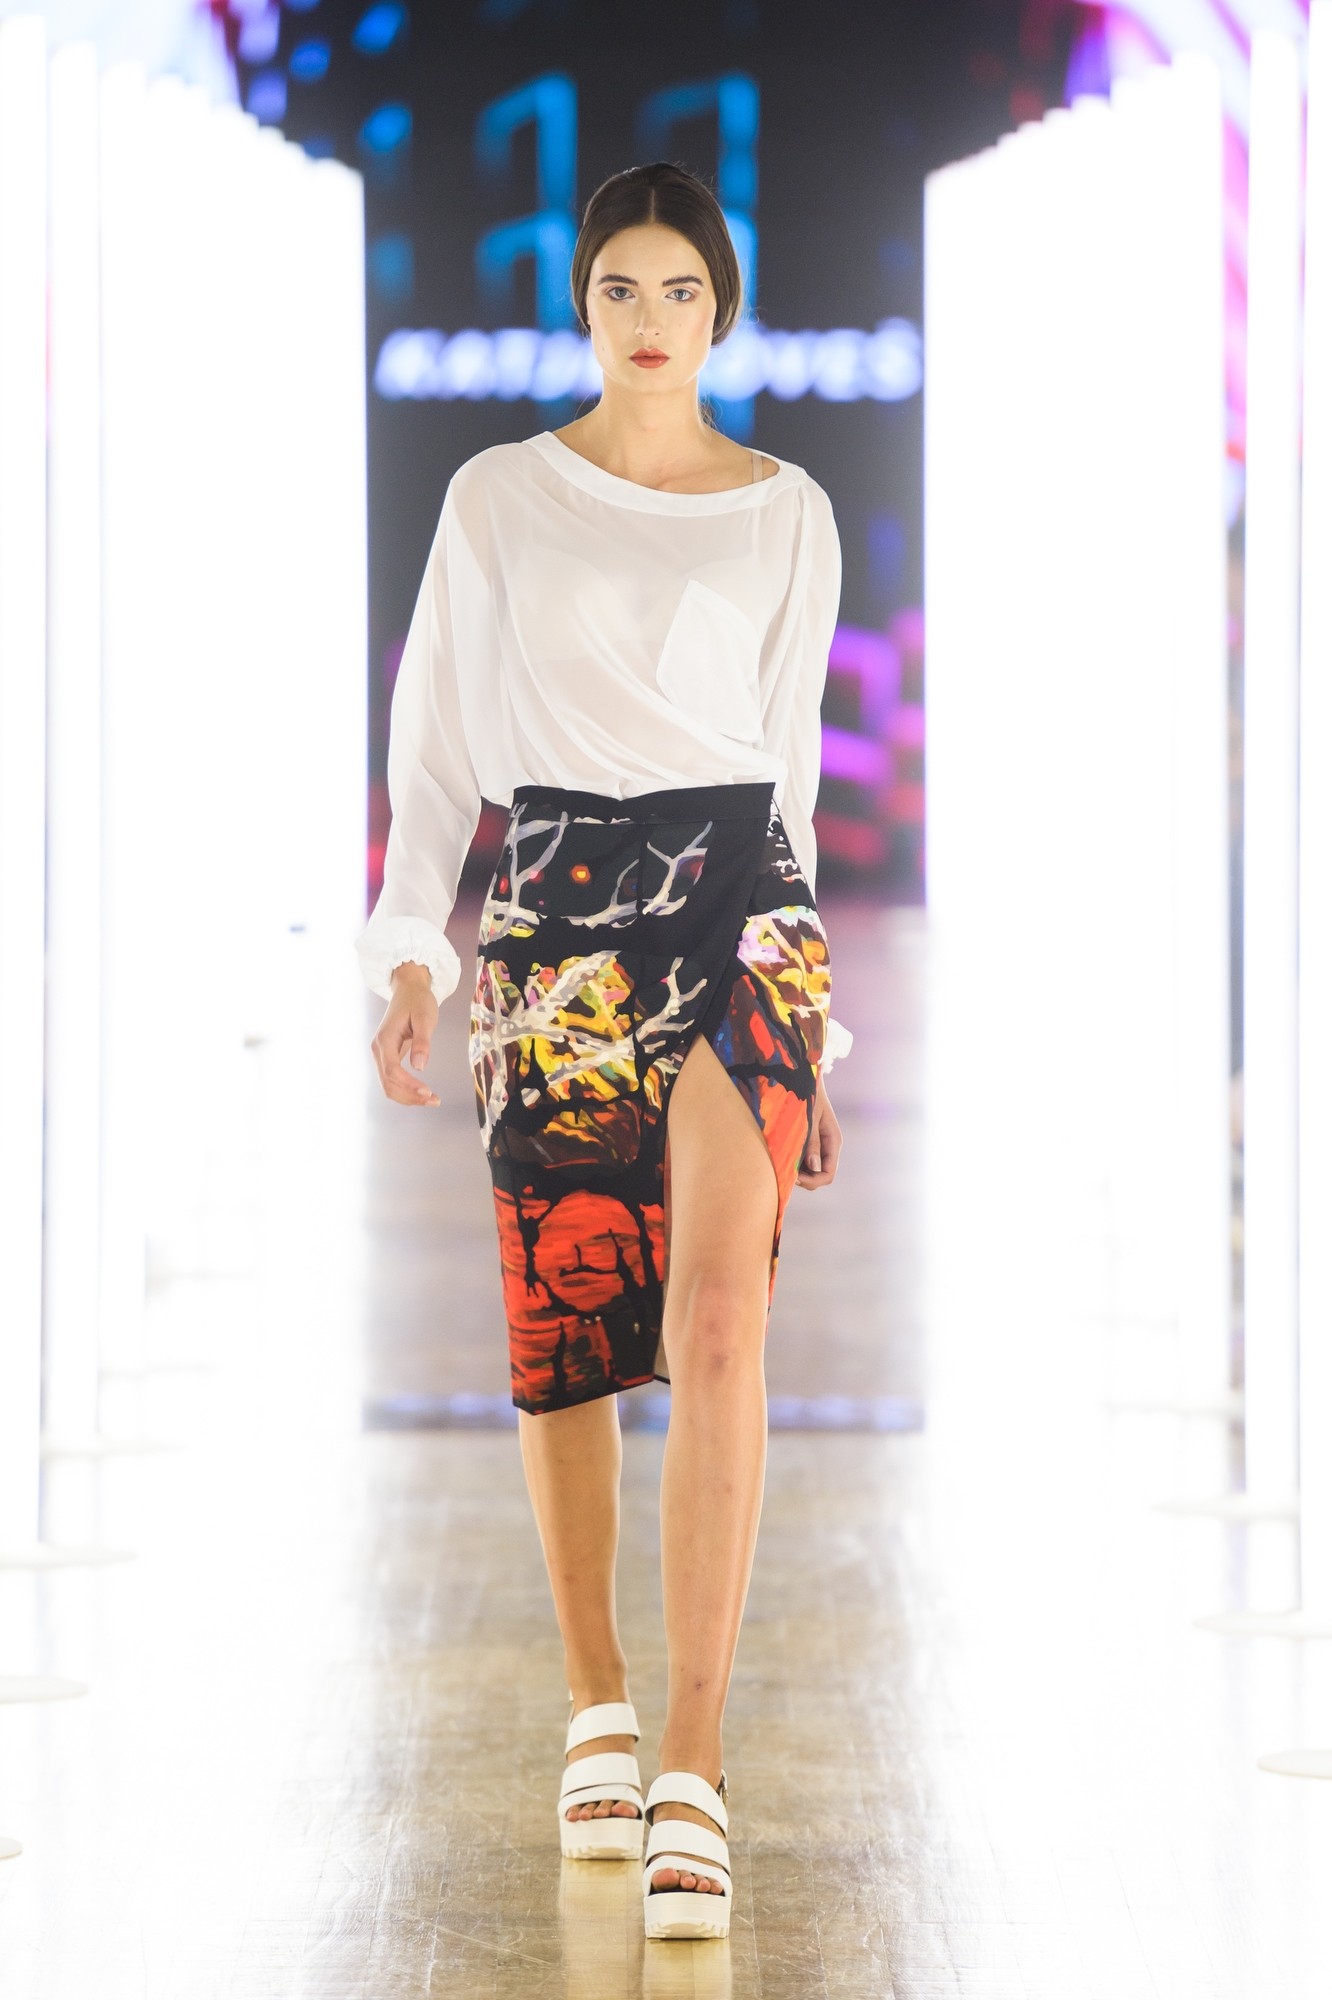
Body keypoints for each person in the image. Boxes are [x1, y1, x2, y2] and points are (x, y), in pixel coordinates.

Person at [355, 160, 852, 1945]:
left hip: (744, 907)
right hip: (556, 914)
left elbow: (791, 761)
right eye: (623, 289)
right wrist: (411, 956)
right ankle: (598, 1703)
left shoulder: (789, 510)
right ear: (584, 306)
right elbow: (432, 749)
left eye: (682, 291)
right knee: (569, 1325)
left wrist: (823, 1029)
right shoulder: (500, 496)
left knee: (719, 1319)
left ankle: (695, 1766)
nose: (653, 321)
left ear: (723, 310)